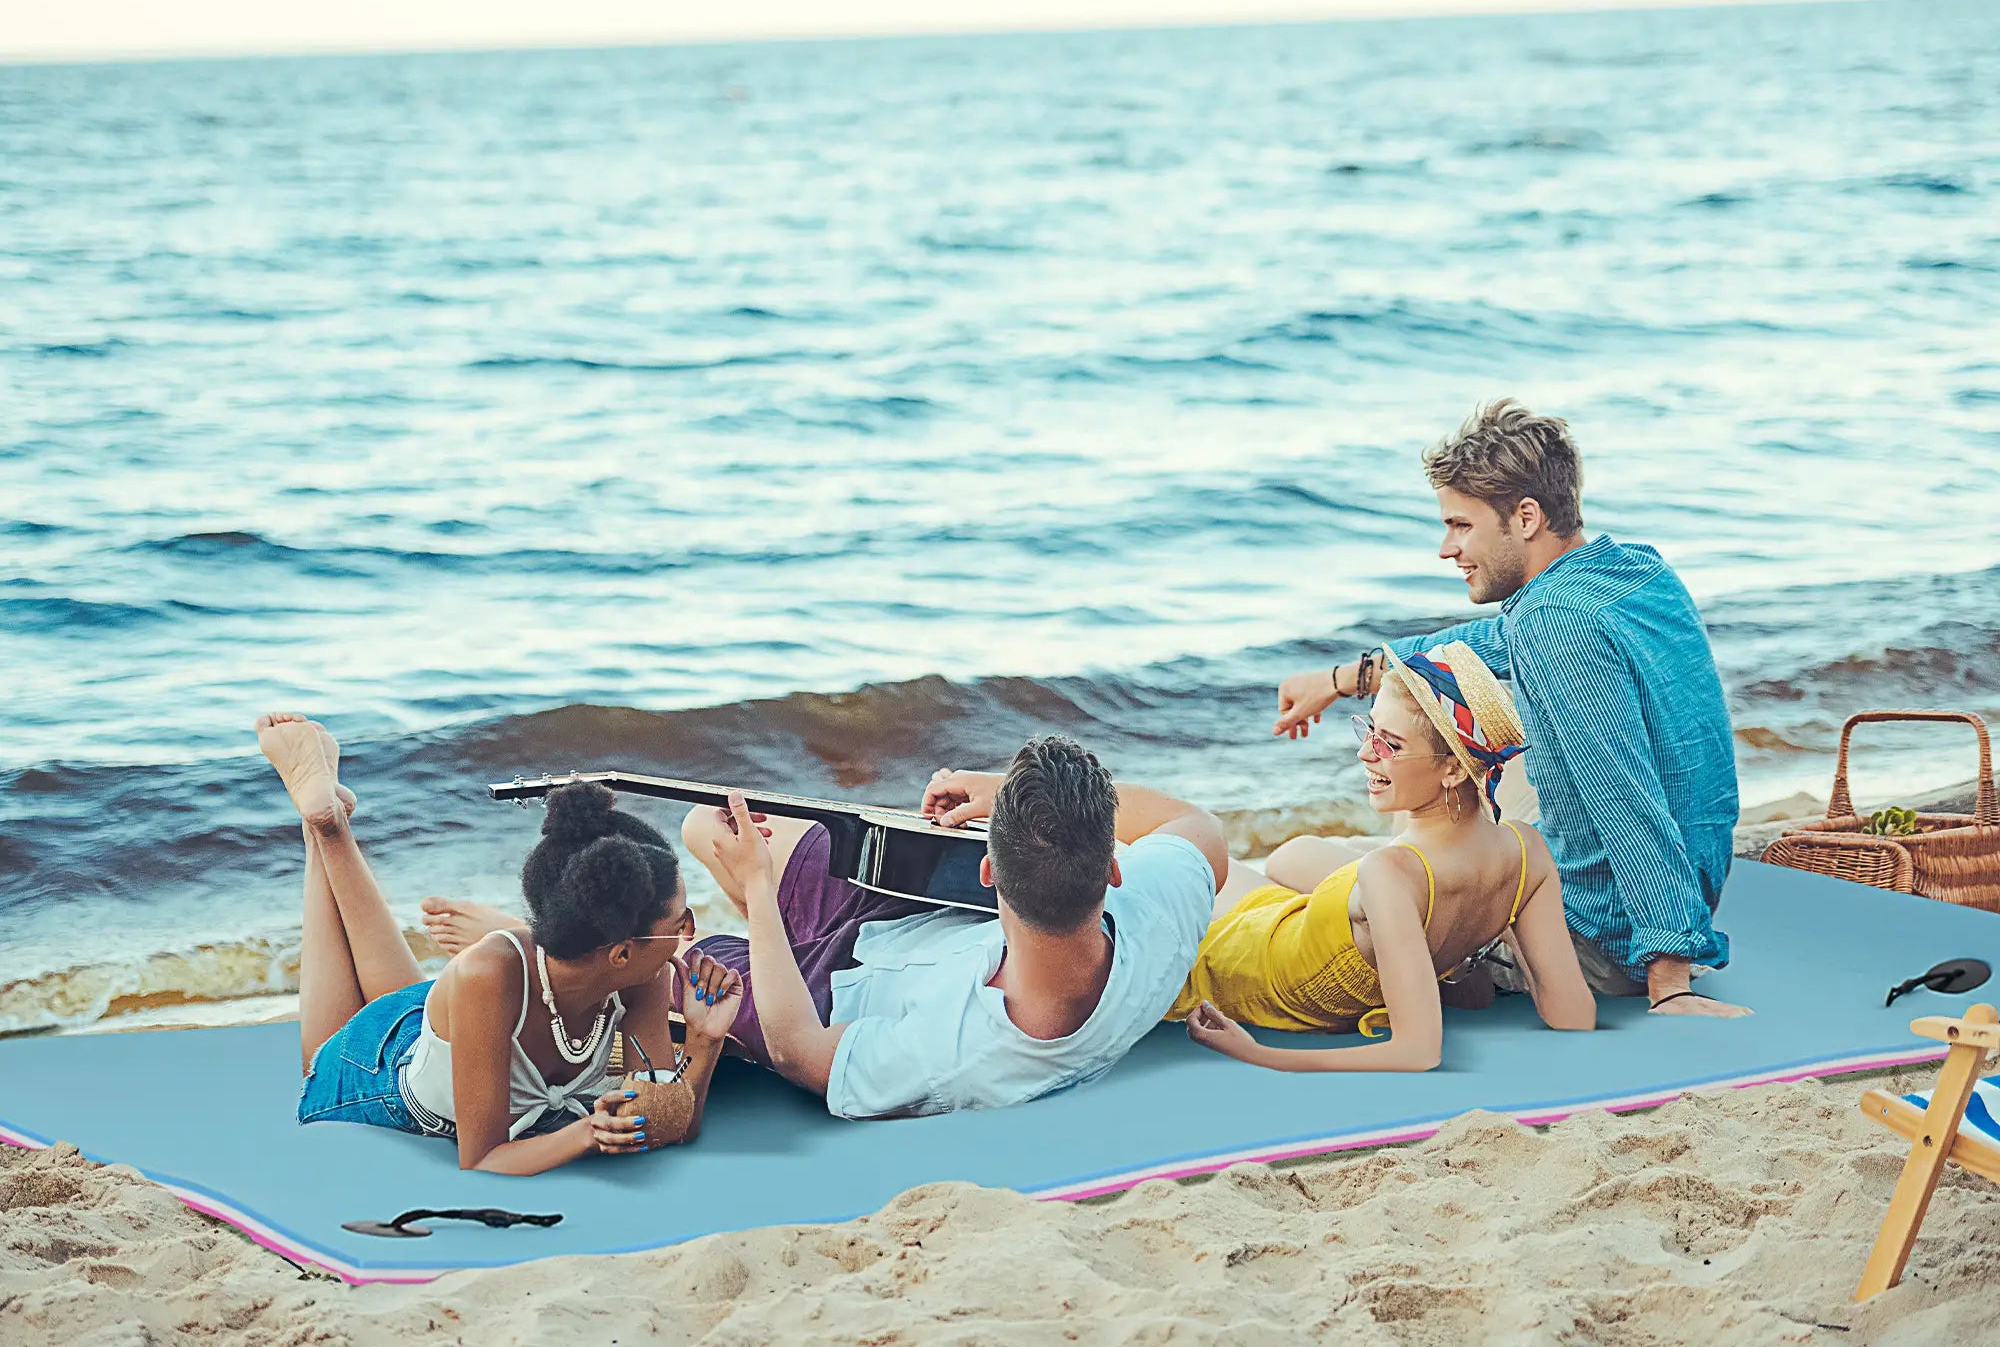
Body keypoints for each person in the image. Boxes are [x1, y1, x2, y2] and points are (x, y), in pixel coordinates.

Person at [1274, 400, 1747, 1017]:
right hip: (1687, 881)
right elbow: (1483, 648)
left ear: (1525, 517)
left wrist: (1670, 977)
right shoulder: (1629, 570)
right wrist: (1345, 678)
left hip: (1598, 942)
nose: (1447, 548)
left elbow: (1624, 800)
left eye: (1461, 526)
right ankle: (1429, 861)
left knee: (1296, 858)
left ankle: (1417, 880)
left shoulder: (1553, 623)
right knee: (1456, 733)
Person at [258, 711, 742, 1171]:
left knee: (408, 1004)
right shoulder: (487, 973)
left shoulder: (642, 978)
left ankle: (330, 822)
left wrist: (705, 1040)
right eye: (680, 922)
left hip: (454, 1024)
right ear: (620, 951)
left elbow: (660, 1123)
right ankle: (321, 827)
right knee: (321, 1057)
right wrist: (584, 1134)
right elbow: (484, 1158)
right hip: (377, 1076)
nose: (687, 936)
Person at [677, 735, 1228, 1118]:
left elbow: (799, 1052)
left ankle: (774, 927)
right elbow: (1195, 823)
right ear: (1113, 868)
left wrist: (758, 887)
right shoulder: (1157, 910)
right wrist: (1005, 790)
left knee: (676, 954)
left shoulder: (958, 1055)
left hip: (825, 1001)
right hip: (908, 919)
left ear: (987, 871)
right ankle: (779, 918)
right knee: (704, 822)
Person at [1181, 641, 1594, 1072]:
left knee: (1157, 852)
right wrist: (1498, 918)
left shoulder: (1391, 873)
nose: (1364, 753)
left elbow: (1418, 1052)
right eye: (1369, 730)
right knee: (1271, 859)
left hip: (1248, 968)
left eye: (1390, 745)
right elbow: (1572, 1016)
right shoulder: (1526, 850)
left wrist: (1259, 1054)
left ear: (1454, 769)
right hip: (1286, 927)